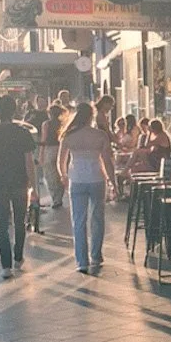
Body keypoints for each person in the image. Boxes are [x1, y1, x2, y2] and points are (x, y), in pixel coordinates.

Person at [0, 95, 38, 279]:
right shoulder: (22, 133)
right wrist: (34, 186)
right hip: (20, 182)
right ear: (14, 111)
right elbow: (29, 162)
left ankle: (6, 266)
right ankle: (18, 258)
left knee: (2, 223)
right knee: (20, 221)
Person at [57, 101, 116, 275]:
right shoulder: (100, 135)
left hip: (77, 180)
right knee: (98, 218)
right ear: (91, 116)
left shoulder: (68, 135)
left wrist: (64, 176)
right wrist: (113, 182)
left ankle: (81, 261)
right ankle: (96, 255)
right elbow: (107, 161)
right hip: (97, 178)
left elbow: (61, 161)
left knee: (78, 221)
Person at [41, 102, 65, 208]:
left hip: (50, 149)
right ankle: (59, 197)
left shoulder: (46, 124)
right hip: (61, 148)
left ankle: (55, 198)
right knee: (60, 173)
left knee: (50, 175)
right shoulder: (63, 123)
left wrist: (41, 154)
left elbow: (44, 140)